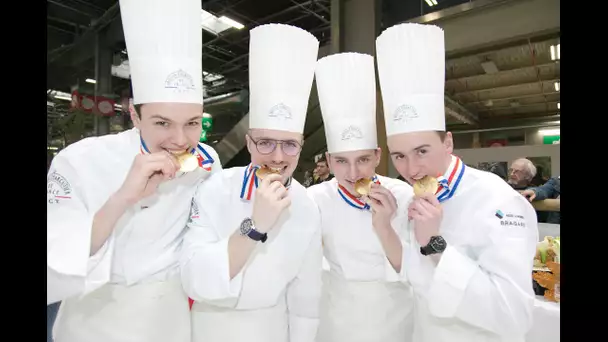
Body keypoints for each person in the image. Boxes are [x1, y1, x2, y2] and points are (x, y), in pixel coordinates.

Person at [47, 0, 221, 341]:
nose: (181, 139)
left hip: (166, 318)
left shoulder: (207, 159)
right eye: (162, 123)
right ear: (134, 114)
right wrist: (125, 197)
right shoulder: (79, 160)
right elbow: (58, 259)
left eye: (192, 124)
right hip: (93, 317)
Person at [376, 22, 539, 342]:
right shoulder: (414, 198)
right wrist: (383, 226)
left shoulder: (499, 200)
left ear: (448, 142)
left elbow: (514, 316)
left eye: (422, 151)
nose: (411, 168)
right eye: (399, 156)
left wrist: (435, 244)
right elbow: (413, 276)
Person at [180, 23, 323, 342]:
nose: (277, 157)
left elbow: (306, 298)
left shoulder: (307, 206)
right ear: (247, 143)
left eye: (290, 145)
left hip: (272, 330)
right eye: (265, 143)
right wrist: (254, 225)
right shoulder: (215, 188)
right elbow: (194, 277)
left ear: (301, 146)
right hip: (210, 328)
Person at [308, 52, 414, 342]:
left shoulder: (403, 194)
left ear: (378, 155)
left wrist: (384, 225)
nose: (353, 173)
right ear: (328, 161)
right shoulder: (315, 198)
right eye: (341, 161)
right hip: (336, 316)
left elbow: (414, 269)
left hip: (395, 316)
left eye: (363, 159)